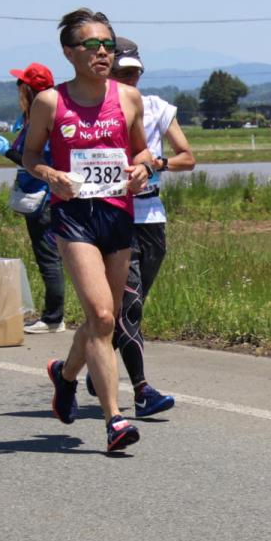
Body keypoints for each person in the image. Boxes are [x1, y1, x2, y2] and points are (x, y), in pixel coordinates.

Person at [23, 8, 155, 453]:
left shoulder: (129, 98)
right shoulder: (50, 103)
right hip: (73, 216)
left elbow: (144, 154)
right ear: (69, 52)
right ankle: (114, 420)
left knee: (107, 317)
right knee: (100, 317)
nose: (102, 53)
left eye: (107, 46)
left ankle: (64, 375)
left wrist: (141, 169)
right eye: (91, 46)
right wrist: (49, 175)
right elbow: (30, 157)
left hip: (117, 214)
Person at [81, 36, 195, 417]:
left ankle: (93, 369)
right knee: (128, 307)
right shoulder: (95, 111)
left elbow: (188, 157)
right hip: (116, 217)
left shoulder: (156, 108)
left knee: (129, 306)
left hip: (152, 219)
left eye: (135, 74)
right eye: (122, 74)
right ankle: (142, 391)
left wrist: (156, 165)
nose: (130, 81)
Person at [0, 62, 66, 334]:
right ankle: (53, 315)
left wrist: (6, 150)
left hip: (43, 197)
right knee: (50, 256)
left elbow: (38, 161)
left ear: (29, 91)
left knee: (49, 257)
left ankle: (53, 318)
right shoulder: (34, 119)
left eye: (21, 88)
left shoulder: (45, 122)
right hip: (39, 195)